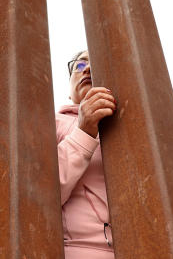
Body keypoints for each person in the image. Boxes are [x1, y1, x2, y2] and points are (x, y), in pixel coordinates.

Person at [57, 50, 117, 259]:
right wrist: (83, 131)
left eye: (96, 62)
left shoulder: (132, 120)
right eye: (79, 66)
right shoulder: (54, 123)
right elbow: (41, 192)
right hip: (81, 251)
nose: (88, 68)